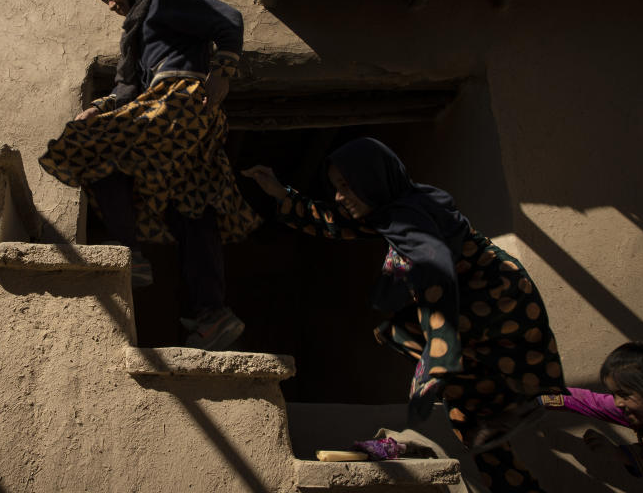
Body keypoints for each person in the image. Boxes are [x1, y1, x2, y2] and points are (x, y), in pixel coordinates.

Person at [243, 137, 566, 493]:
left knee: (402, 331)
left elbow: (435, 274)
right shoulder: (392, 209)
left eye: (346, 186)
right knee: (471, 424)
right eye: (336, 187)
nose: (338, 196)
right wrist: (281, 193)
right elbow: (335, 220)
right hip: (475, 310)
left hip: (495, 300)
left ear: (372, 180)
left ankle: (509, 398)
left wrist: (438, 353)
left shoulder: (412, 218)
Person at [39, 0, 261, 351]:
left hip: (181, 99)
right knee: (192, 205)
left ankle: (130, 252)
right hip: (181, 114)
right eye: (103, 0)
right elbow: (127, 90)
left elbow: (228, 19)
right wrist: (101, 107)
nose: (110, 4)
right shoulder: (138, 30)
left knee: (90, 147)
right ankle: (213, 314)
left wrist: (222, 73)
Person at [538, 341, 643, 478]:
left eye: (624, 395)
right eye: (614, 394)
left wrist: (617, 453)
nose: (617, 403)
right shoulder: (637, 410)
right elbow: (591, 402)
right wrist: (539, 396)